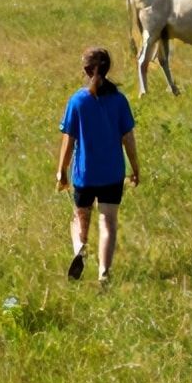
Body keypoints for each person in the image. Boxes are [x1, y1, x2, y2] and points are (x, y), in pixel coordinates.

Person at [55, 47, 140, 283]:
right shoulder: (119, 101)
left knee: (80, 218)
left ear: (86, 70)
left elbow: (68, 140)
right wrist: (135, 168)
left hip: (84, 175)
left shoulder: (77, 101)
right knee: (108, 222)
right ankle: (104, 272)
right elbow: (128, 139)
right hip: (112, 174)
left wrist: (61, 170)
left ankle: (80, 247)